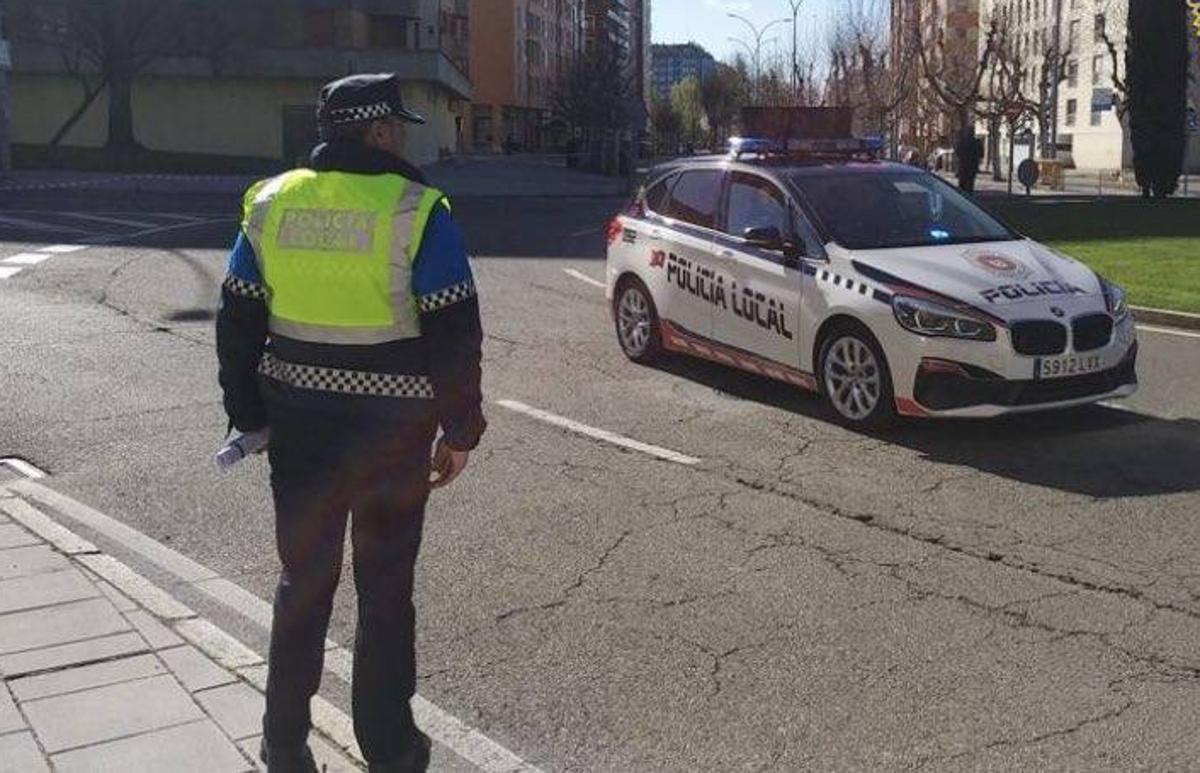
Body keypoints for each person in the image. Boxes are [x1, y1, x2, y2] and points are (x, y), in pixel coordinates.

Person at [216, 73, 486, 772]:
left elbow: (238, 319)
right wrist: (459, 430)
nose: (400, 136)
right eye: (393, 126)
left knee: (302, 583)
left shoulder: (271, 204)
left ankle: (282, 746)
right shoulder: (417, 210)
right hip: (392, 439)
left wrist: (248, 414)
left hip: (300, 431)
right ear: (374, 132)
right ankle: (390, 750)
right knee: (386, 593)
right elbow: (454, 327)